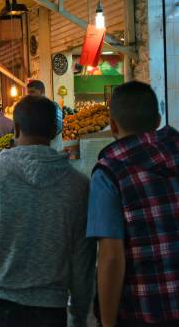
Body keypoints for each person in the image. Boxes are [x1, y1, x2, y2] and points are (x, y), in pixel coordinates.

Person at [0, 95, 96, 327]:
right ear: (56, 130)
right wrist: (79, 315)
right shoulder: (78, 185)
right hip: (49, 312)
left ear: (15, 128)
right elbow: (83, 257)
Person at [86, 81, 178, 327]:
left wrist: (106, 322)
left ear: (112, 124)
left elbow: (111, 257)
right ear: (158, 120)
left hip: (145, 309)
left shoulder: (109, 172)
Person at [27, 80, 63, 149]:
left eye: (32, 92)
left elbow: (57, 129)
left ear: (42, 92)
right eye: (28, 93)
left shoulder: (53, 107)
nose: (29, 96)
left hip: (54, 152)